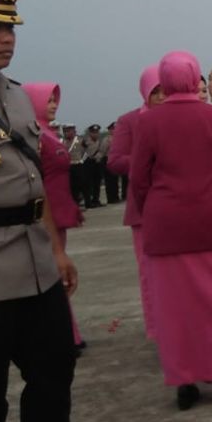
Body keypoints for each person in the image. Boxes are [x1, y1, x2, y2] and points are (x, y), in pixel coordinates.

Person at [0, 0, 79, 422]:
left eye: (10, 28)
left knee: (54, 376)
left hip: (36, 265)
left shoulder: (19, 99)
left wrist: (57, 251)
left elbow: (35, 180)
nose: (7, 39)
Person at [131, 51, 212, 410]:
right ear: (194, 78)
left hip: (167, 226)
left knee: (175, 312)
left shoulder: (148, 123)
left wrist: (158, 207)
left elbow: (138, 180)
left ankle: (185, 380)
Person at [20, 82, 87, 352]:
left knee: (59, 276)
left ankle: (68, 332)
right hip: (46, 213)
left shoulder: (48, 134)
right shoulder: (33, 136)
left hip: (59, 209)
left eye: (54, 100)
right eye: (47, 100)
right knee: (54, 276)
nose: (53, 105)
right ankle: (65, 335)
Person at [107, 65, 163, 341]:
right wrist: (148, 162)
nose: (162, 96)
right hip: (143, 209)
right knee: (148, 273)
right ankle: (156, 328)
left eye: (166, 89)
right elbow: (115, 160)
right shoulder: (130, 121)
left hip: (175, 207)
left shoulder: (177, 117)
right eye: (156, 91)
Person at [61, 123, 87, 208]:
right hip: (68, 166)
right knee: (71, 186)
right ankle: (74, 203)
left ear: (73, 131)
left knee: (82, 184)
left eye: (69, 131)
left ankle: (85, 201)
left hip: (78, 164)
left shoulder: (80, 140)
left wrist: (82, 159)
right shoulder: (61, 141)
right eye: (65, 131)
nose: (67, 133)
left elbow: (87, 151)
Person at [81, 123, 105, 208]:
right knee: (88, 184)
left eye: (97, 132)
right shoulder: (85, 142)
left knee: (97, 183)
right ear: (90, 133)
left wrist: (99, 158)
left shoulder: (100, 141)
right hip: (88, 163)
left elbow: (102, 151)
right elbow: (82, 152)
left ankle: (96, 200)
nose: (95, 134)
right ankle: (88, 202)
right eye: (93, 132)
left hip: (97, 163)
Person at [100, 121, 120, 204]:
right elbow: (103, 151)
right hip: (108, 159)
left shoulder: (119, 138)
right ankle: (110, 198)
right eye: (113, 129)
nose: (115, 130)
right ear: (109, 130)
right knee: (109, 181)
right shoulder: (106, 139)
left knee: (115, 180)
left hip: (116, 160)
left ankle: (116, 196)